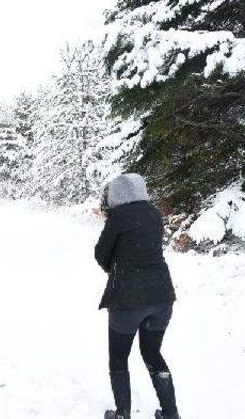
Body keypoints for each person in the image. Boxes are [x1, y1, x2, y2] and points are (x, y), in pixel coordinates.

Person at [94, 174, 179, 419]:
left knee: (119, 358)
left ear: (117, 195)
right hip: (162, 297)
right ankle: (171, 414)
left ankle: (123, 414)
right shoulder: (154, 214)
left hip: (127, 302)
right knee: (152, 354)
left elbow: (101, 254)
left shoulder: (118, 217)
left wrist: (119, 269)